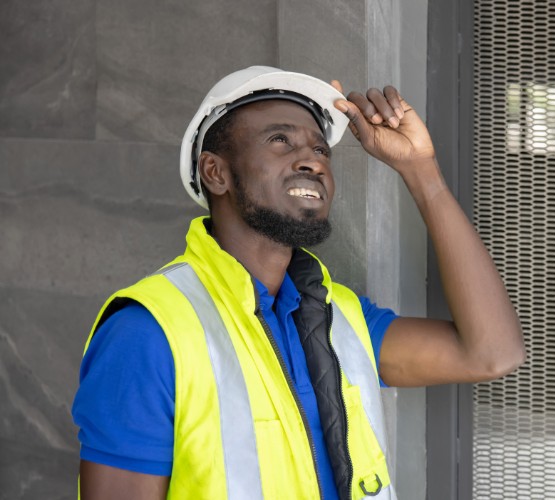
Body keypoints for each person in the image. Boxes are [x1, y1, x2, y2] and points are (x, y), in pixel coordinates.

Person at [72, 66, 524, 500]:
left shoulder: (339, 316)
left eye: (320, 149)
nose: (312, 159)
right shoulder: (148, 333)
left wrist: (421, 171)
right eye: (280, 140)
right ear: (216, 172)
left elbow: (491, 354)